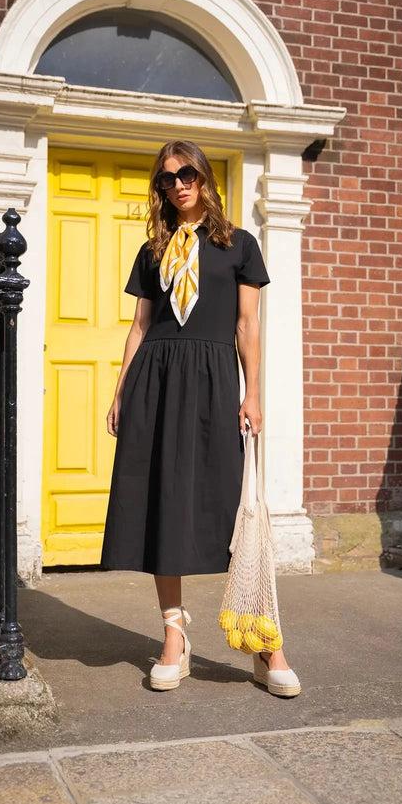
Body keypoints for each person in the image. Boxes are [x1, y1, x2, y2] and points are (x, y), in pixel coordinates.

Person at [101, 139, 300, 697]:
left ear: (206, 179)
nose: (179, 184)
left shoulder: (239, 246)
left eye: (187, 174)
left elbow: (246, 326)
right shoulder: (152, 251)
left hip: (215, 383)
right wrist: (120, 392)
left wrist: (253, 393)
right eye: (167, 179)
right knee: (164, 506)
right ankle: (173, 636)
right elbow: (140, 327)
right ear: (159, 189)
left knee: (236, 514)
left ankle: (264, 642)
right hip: (156, 383)